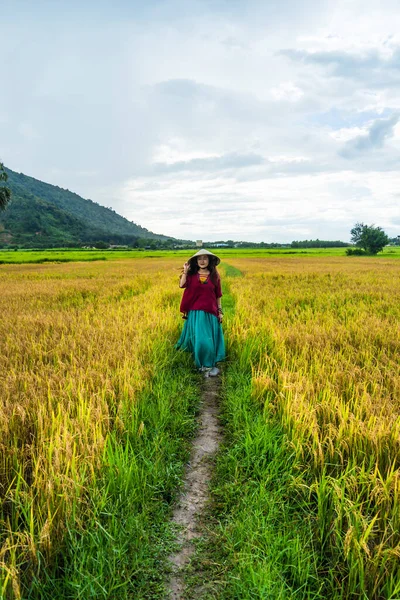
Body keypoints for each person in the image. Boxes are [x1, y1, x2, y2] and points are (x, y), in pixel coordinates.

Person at [176, 249, 225, 377]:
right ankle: (202, 365)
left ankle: (208, 364)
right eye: (199, 259)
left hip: (210, 312)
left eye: (205, 258)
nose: (202, 261)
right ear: (196, 261)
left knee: (208, 340)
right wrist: (186, 271)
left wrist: (220, 311)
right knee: (200, 340)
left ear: (209, 261)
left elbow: (218, 295)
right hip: (196, 313)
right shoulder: (191, 275)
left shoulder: (214, 276)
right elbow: (182, 285)